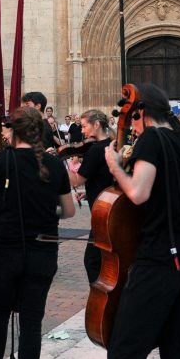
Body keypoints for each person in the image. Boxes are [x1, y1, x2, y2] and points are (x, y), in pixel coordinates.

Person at [102, 85, 180, 359]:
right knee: (178, 351)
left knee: (125, 349)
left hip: (160, 258)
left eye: (133, 120)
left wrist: (115, 166)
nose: (132, 128)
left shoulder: (152, 139)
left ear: (141, 112)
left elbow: (139, 193)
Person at [0, 106, 75, 359]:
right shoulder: (52, 163)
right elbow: (69, 211)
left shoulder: (3, 160)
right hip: (43, 251)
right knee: (31, 321)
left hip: (6, 250)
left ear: (15, 133)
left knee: (0, 312)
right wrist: (48, 210)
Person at [66, 109, 113, 283]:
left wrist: (62, 164)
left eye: (85, 126)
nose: (83, 131)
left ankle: (101, 297)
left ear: (97, 124)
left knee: (92, 261)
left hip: (102, 213)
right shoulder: (111, 144)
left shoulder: (95, 150)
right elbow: (105, 177)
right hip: (109, 206)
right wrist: (89, 191)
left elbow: (76, 181)